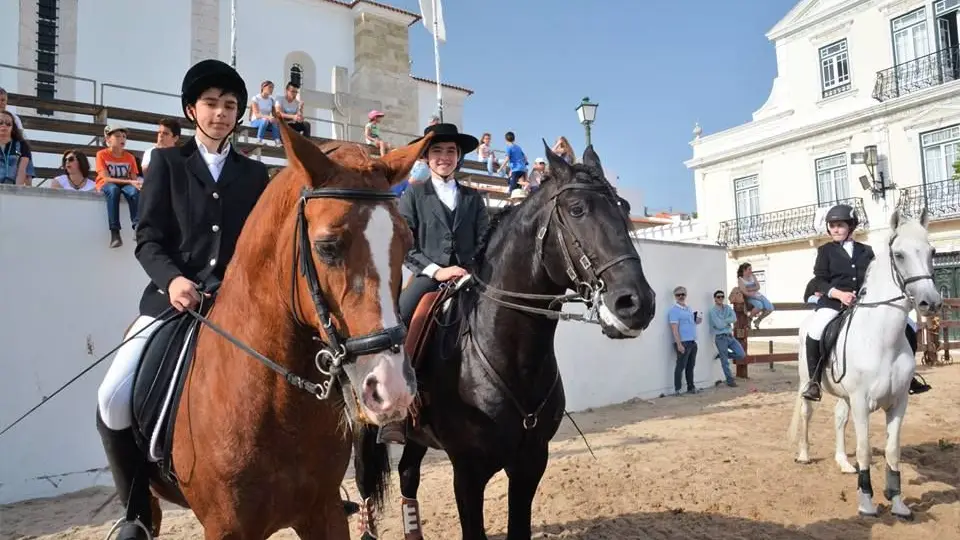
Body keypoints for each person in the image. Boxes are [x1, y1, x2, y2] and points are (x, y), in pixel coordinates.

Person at [94, 59, 274, 540]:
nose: (220, 113)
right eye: (211, 104)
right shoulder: (167, 164)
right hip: (171, 300)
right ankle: (135, 510)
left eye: (230, 106)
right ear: (192, 109)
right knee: (111, 396)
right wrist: (174, 280)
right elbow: (148, 238)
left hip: (236, 307)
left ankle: (312, 484)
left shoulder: (255, 174)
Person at [380, 122, 489, 445]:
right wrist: (436, 271)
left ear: (458, 158)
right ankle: (394, 411)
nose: (444, 157)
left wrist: (469, 269)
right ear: (426, 157)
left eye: (451, 152)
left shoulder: (473, 198)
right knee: (398, 321)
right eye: (437, 151)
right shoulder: (414, 195)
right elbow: (405, 243)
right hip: (429, 277)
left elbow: (484, 241)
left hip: (469, 276)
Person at [801, 204, 930, 401]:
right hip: (833, 304)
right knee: (816, 329)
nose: (835, 229)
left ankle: (909, 376)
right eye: (832, 225)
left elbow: (874, 276)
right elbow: (819, 280)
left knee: (909, 326)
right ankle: (814, 381)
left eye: (840, 225)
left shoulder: (866, 251)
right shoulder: (825, 251)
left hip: (863, 303)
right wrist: (839, 294)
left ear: (851, 227)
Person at [668, 285, 702, 396]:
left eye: (683, 294)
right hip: (683, 342)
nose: (681, 296)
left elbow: (693, 323)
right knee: (680, 366)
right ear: (675, 296)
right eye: (678, 295)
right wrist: (679, 344)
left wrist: (698, 319)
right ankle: (677, 389)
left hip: (692, 341)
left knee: (690, 366)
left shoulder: (688, 308)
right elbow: (674, 328)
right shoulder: (674, 311)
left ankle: (691, 387)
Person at [708, 289, 742, 387]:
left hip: (730, 336)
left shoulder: (727, 308)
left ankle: (722, 355)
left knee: (741, 354)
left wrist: (723, 321)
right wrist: (727, 321)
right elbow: (718, 325)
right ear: (715, 298)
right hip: (720, 338)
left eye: (722, 296)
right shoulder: (712, 311)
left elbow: (734, 319)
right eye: (718, 297)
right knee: (725, 362)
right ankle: (730, 380)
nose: (720, 298)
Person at [737, 262, 774, 329]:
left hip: (758, 295)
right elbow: (744, 291)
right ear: (744, 270)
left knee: (770, 308)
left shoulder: (753, 276)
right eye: (749, 269)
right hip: (749, 298)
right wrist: (752, 292)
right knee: (759, 305)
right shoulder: (740, 279)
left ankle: (758, 320)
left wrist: (749, 288)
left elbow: (758, 287)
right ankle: (749, 319)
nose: (751, 271)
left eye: (751, 269)